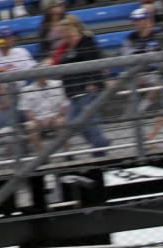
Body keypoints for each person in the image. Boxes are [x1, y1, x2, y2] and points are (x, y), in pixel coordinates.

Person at [56, 17, 111, 156]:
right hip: (74, 91)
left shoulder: (86, 41)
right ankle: (100, 143)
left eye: (63, 31)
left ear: (70, 30)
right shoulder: (66, 46)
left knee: (90, 120)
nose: (61, 35)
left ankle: (98, 151)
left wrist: (91, 82)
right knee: (72, 123)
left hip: (87, 88)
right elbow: (59, 61)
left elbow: (93, 62)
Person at [122, 6, 163, 144]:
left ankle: (142, 107)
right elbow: (126, 58)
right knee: (119, 81)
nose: (136, 23)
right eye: (134, 20)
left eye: (139, 19)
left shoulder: (158, 35)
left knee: (159, 83)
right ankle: (134, 114)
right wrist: (136, 73)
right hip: (138, 73)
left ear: (147, 20)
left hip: (157, 72)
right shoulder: (130, 38)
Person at [18, 70, 68, 153]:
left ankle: (68, 153)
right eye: (39, 75)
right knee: (30, 126)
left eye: (43, 74)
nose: (41, 77)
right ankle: (41, 156)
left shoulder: (58, 84)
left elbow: (64, 104)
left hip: (56, 115)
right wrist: (36, 120)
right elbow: (26, 110)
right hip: (37, 119)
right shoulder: (26, 90)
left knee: (61, 122)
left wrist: (56, 116)